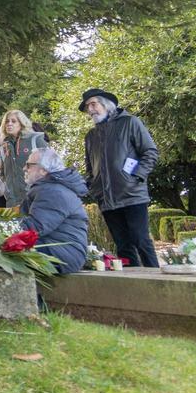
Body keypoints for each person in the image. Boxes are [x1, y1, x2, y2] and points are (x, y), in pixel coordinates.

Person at [82, 88, 160, 267]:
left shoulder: (130, 122)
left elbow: (150, 152)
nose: (90, 109)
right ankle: (133, 286)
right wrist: (94, 187)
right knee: (123, 246)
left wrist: (137, 177)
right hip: (106, 199)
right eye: (87, 107)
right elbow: (89, 168)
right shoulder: (91, 136)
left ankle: (156, 283)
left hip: (132, 195)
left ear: (106, 105)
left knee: (141, 240)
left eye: (93, 104)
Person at [21, 147, 89, 273]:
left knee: (0, 253)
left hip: (62, 254)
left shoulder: (52, 191)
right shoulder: (50, 188)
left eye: (29, 165)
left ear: (43, 170)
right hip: (58, 248)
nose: (24, 168)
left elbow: (35, 227)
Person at [0, 109, 48, 208]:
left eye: (13, 121)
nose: (9, 124)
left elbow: (52, 167)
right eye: (7, 121)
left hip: (37, 199)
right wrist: (7, 193)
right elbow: (3, 175)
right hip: (13, 202)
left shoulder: (35, 140)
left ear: (21, 123)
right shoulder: (3, 147)